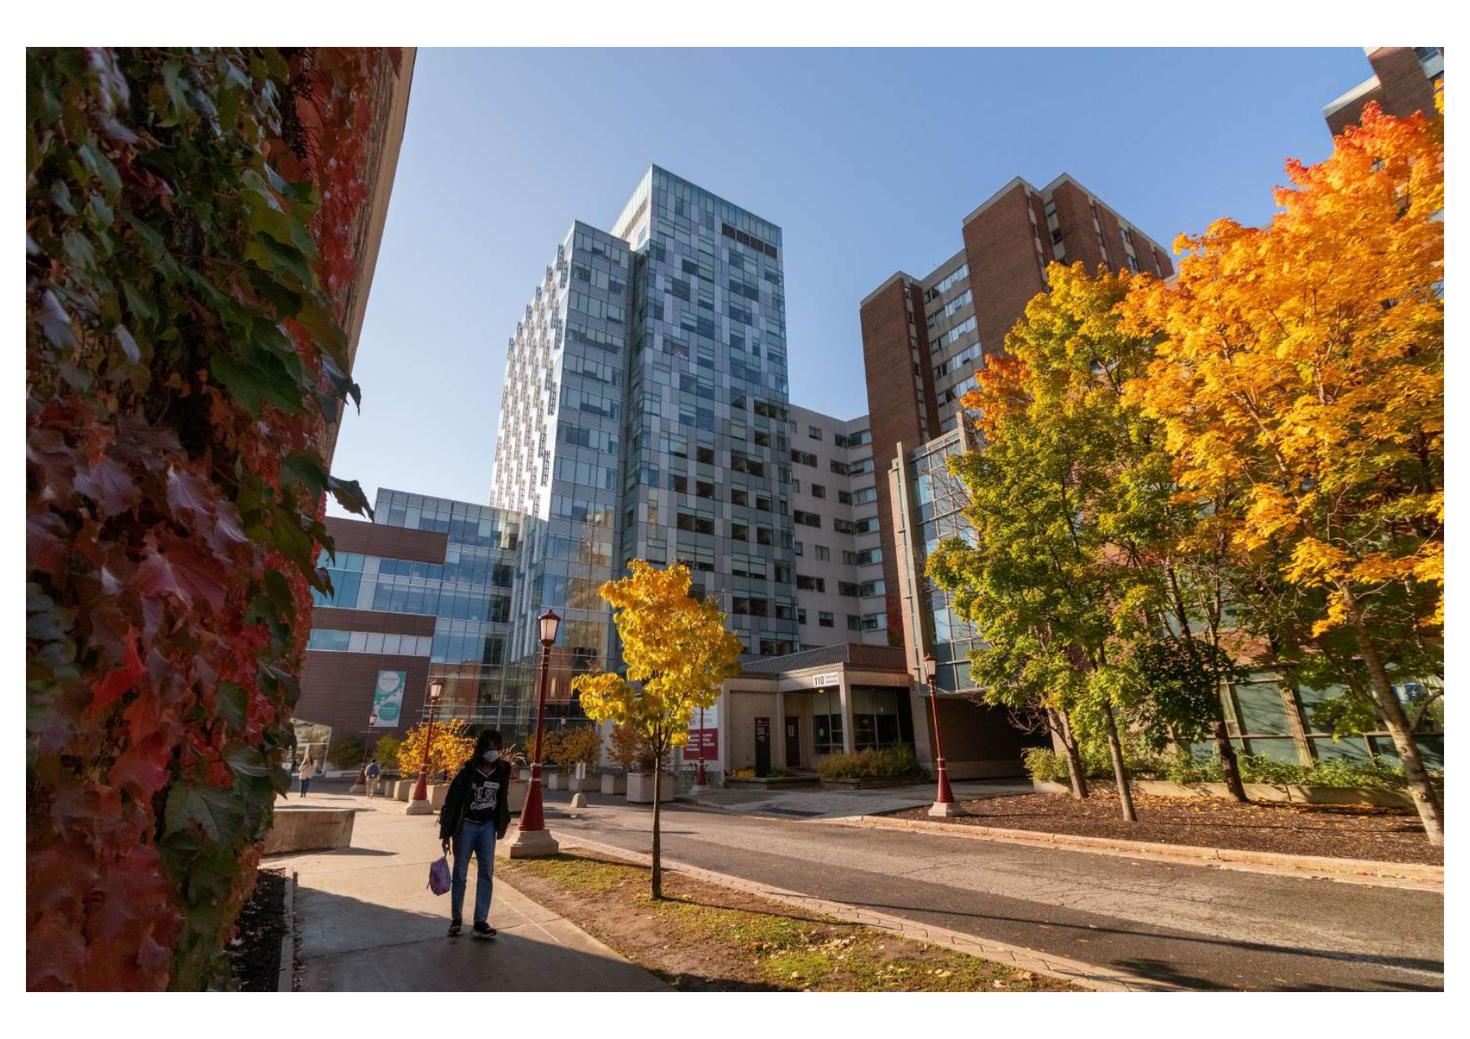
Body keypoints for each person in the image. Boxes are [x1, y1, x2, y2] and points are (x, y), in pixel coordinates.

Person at [438, 729, 512, 939]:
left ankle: (480, 921)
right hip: (467, 826)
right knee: (460, 873)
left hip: (487, 826)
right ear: (481, 750)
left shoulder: (502, 770)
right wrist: (447, 833)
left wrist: (502, 823)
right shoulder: (468, 771)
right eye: (489, 748)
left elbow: (502, 798)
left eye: (496, 748)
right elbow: (452, 802)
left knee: (486, 872)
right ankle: (456, 919)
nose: (493, 752)